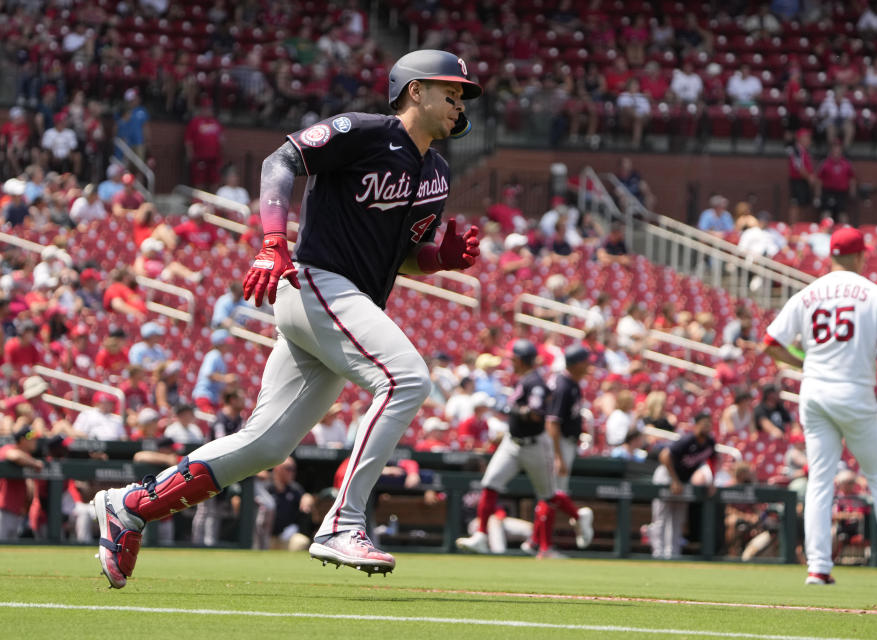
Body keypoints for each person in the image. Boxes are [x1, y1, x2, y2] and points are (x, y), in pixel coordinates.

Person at [92, 49, 483, 587]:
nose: (459, 102)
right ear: (415, 91)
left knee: (267, 445)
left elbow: (405, 258)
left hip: (348, 302)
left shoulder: (435, 170)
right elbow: (279, 162)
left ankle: (131, 504)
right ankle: (343, 522)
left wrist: (442, 259)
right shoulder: (366, 132)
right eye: (450, 90)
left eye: (461, 95)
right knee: (407, 379)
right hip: (315, 282)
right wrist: (272, 239)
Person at [761, 226, 877, 588]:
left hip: (815, 392)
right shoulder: (876, 294)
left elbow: (770, 342)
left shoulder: (808, 293)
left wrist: (805, 361)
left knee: (819, 480)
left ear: (831, 255)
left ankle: (818, 567)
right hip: (854, 391)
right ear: (861, 255)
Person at [455, 340, 588, 558]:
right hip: (512, 442)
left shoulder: (535, 381)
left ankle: (577, 516)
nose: (509, 362)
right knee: (489, 485)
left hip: (535, 445)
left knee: (549, 495)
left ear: (519, 359)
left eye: (512, 358)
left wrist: (512, 409)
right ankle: (480, 535)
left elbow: (536, 413)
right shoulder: (524, 379)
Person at [649, 409, 717, 559]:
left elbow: (714, 460)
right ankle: (658, 552)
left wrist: (712, 481)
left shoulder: (710, 442)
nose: (706, 427)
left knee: (678, 518)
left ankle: (672, 553)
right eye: (703, 424)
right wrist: (674, 480)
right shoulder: (687, 440)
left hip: (682, 480)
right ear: (696, 425)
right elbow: (664, 455)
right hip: (667, 475)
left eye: (709, 424)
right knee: (661, 516)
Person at [544, 344, 594, 545]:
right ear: (576, 363)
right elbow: (552, 423)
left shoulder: (573, 384)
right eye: (585, 361)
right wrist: (557, 455)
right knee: (553, 494)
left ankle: (538, 542)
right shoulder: (564, 385)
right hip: (559, 443)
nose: (588, 365)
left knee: (552, 495)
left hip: (567, 443)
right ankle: (544, 541)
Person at [0, 426, 44, 539]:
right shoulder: (8, 448)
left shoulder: (27, 456)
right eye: (32, 438)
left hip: (17, 512)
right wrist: (34, 463)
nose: (35, 441)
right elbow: (14, 456)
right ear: (23, 439)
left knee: (10, 552)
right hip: (3, 511)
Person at [184, 96, 224, 191]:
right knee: (199, 181)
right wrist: (190, 155)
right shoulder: (195, 122)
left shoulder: (216, 123)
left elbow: (221, 139)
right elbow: (188, 141)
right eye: (207, 108)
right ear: (202, 109)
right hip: (199, 157)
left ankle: (213, 203)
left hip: (214, 158)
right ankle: (200, 202)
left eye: (210, 108)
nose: (209, 110)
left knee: (215, 181)